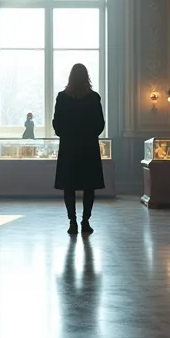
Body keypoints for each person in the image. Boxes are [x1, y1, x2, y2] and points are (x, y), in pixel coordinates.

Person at [52, 63, 105, 235]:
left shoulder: (62, 97)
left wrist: (67, 135)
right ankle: (86, 221)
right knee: (89, 187)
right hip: (88, 148)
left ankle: (72, 222)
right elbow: (100, 124)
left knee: (69, 187)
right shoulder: (93, 97)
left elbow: (56, 124)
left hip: (69, 148)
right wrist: (88, 135)